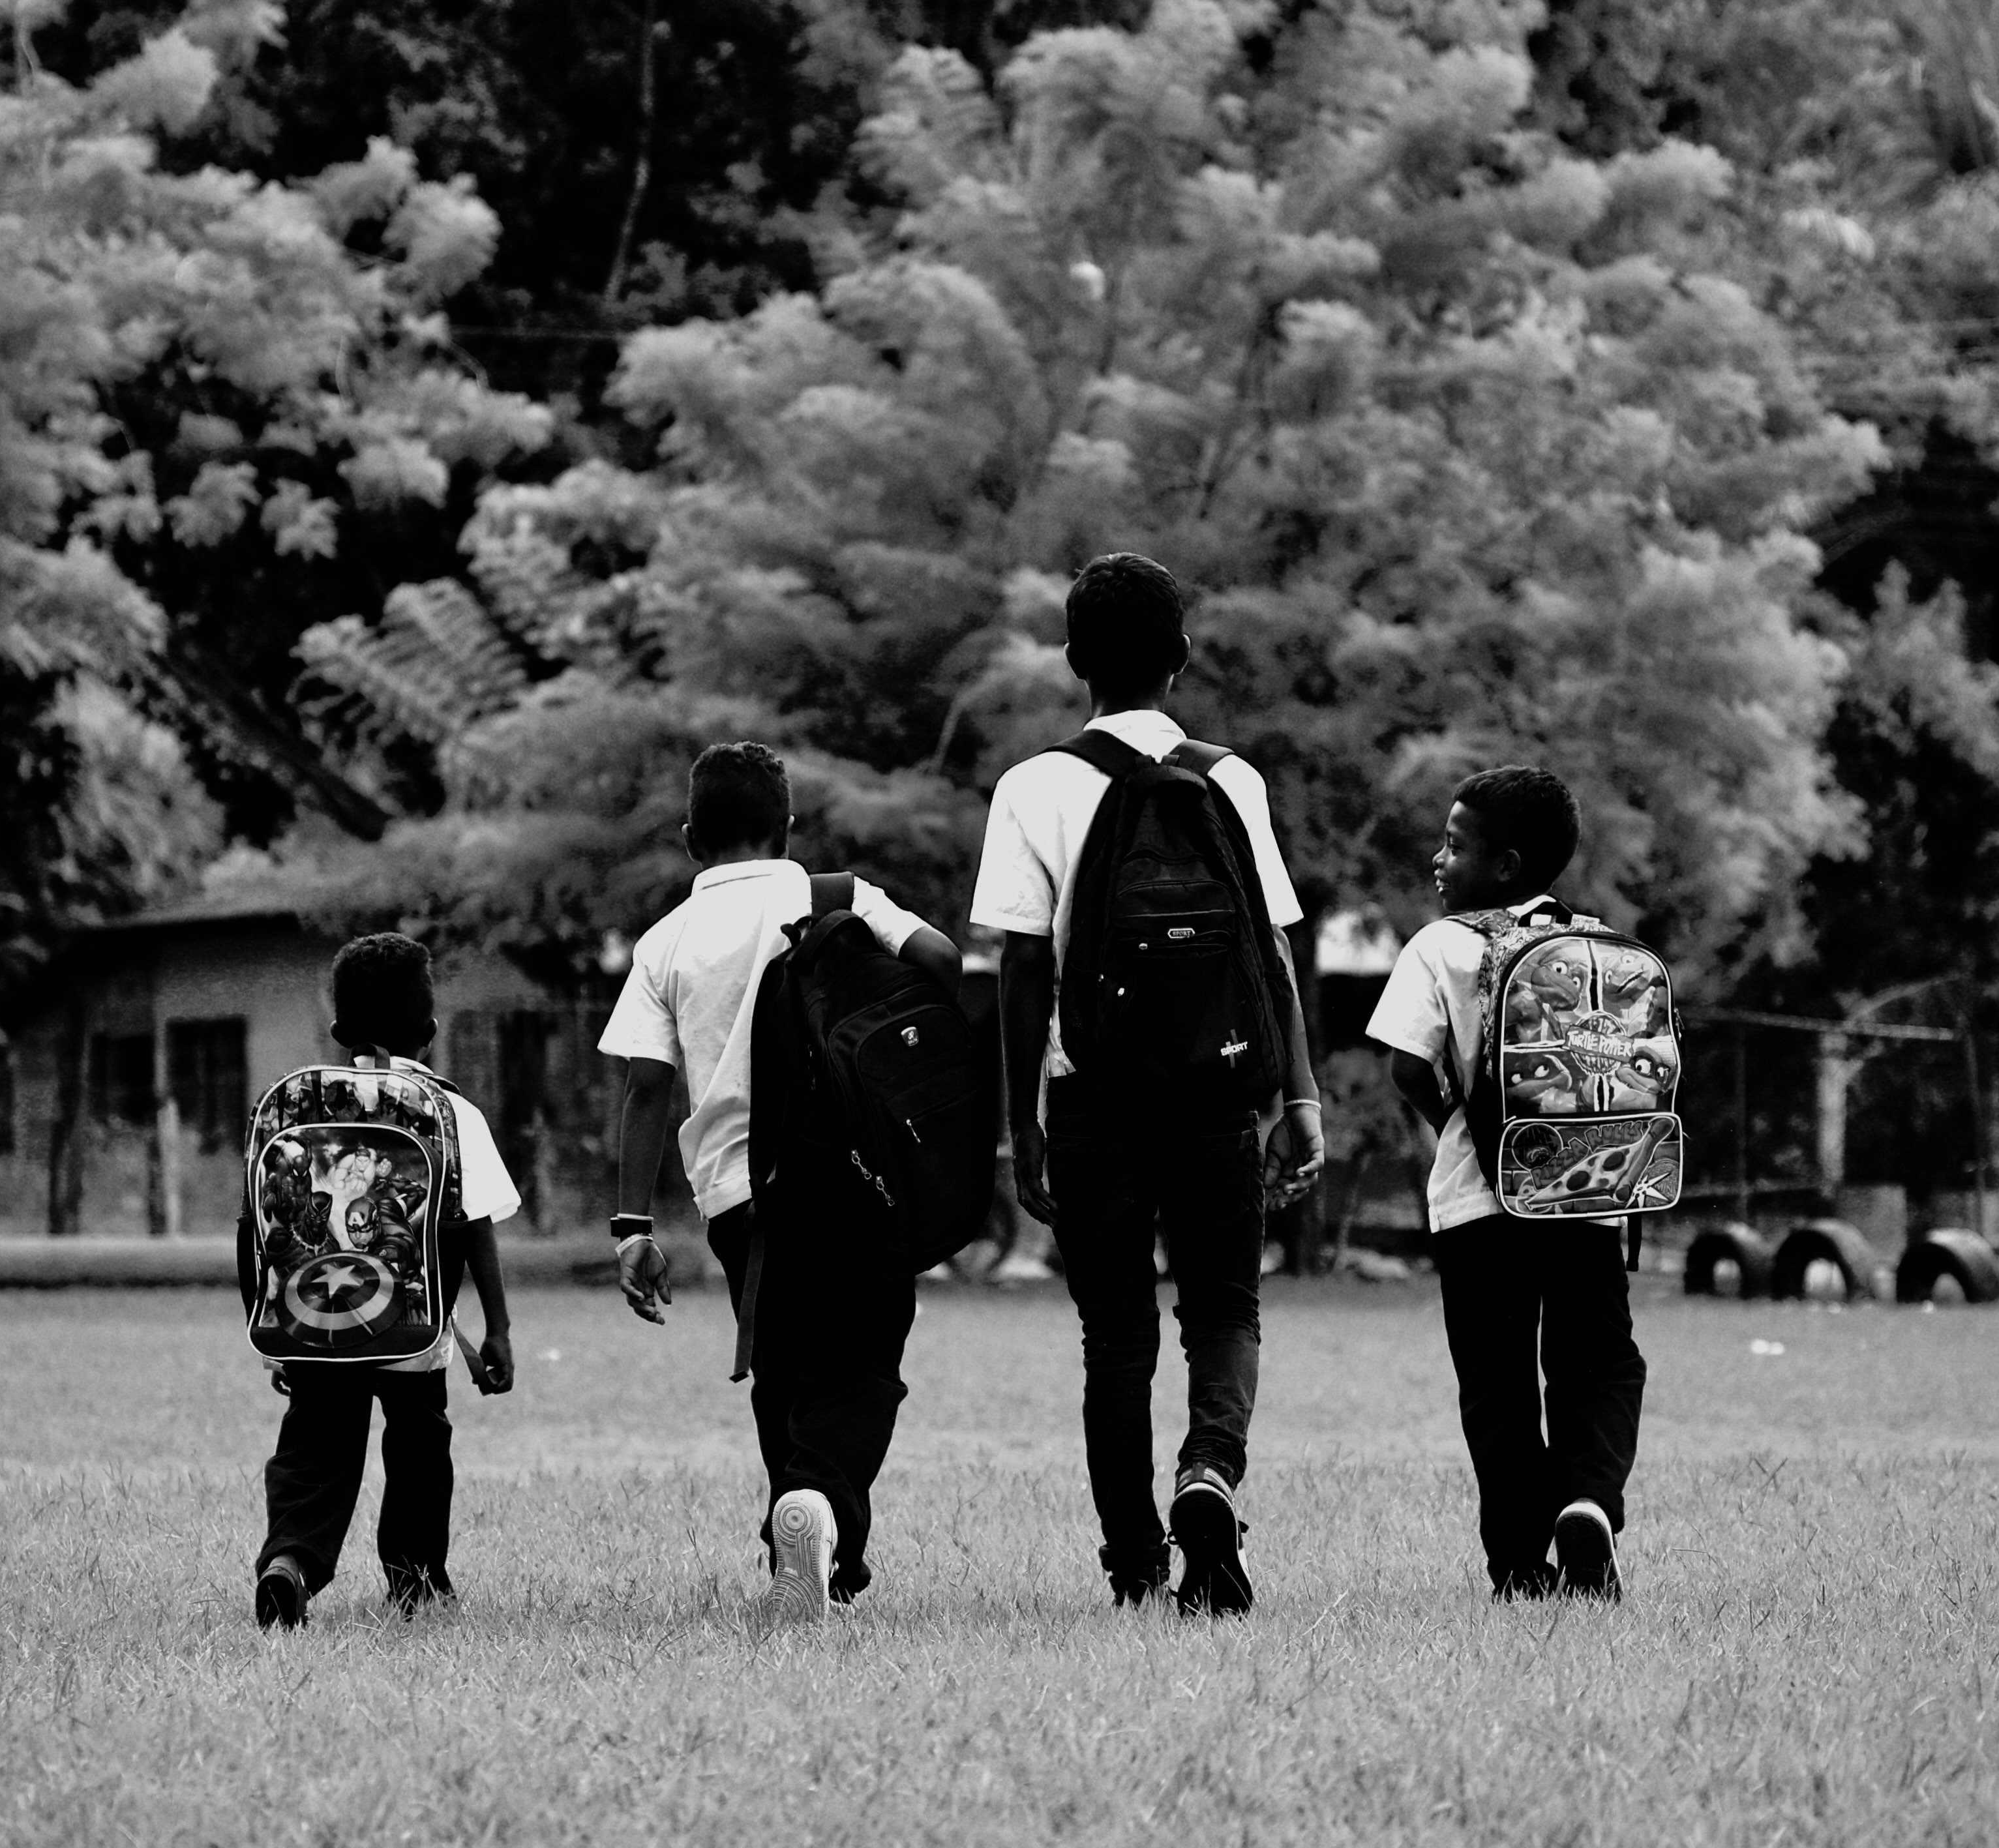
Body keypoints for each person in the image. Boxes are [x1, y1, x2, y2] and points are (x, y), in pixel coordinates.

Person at [970, 551, 1325, 1617]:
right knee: (1222, 1304)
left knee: (1114, 1331)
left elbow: (1021, 970)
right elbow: (1268, 954)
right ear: (1181, 655)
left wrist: (1017, 1134)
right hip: (1218, 1095)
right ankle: (1208, 1470)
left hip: (1090, 1101)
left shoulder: (1031, 786)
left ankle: (1132, 1561)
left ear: (1074, 660)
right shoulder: (1233, 779)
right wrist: (1298, 1094)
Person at [601, 742, 964, 1628]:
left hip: (739, 1197)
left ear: (690, 836)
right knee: (866, 1366)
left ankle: (811, 1557)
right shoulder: (834, 896)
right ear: (788, 825)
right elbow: (943, 958)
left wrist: (631, 1223)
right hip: (856, 1172)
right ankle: (816, 1509)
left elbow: (645, 1086)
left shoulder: (664, 943)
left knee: (784, 1372)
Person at [1370, 768, 1643, 1600]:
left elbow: (1405, 1063)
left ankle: (1521, 1567)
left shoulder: (1443, 944)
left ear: (1507, 863)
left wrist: (1460, 1121)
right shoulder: (1603, 946)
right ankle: (1589, 1500)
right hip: (1591, 1199)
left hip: (1478, 1202)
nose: (1438, 860)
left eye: (1456, 845)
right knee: (1598, 1364)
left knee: (1497, 1384)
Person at [254, 932, 520, 1630]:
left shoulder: (293, 1105)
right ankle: (417, 1580)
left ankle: (292, 1562)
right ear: (430, 1030)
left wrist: (275, 1326)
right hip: (414, 1325)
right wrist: (498, 1327)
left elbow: (258, 1224)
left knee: (313, 1446)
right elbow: (473, 1224)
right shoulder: (448, 1109)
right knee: (418, 1444)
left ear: (337, 1029)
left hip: (314, 1316)